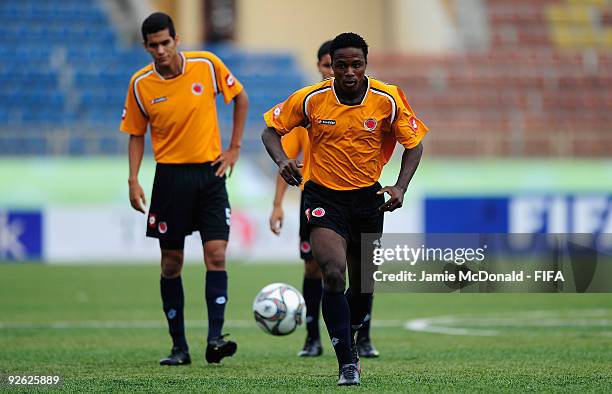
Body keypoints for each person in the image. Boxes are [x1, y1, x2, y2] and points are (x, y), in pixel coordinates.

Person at [262, 32, 427, 385]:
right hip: (323, 198)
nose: (349, 71)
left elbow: (414, 145)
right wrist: (282, 160)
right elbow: (270, 131)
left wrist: (400, 186)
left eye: (356, 64)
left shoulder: (388, 98)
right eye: (341, 65)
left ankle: (352, 335)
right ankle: (347, 363)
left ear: (366, 64)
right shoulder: (311, 99)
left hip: (368, 199)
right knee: (333, 273)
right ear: (330, 67)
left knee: (364, 283)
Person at [120, 12, 249, 366]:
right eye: (153, 45)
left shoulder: (206, 65)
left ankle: (215, 339)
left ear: (177, 40)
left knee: (217, 255)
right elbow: (136, 134)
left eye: (166, 42)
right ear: (146, 47)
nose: (160, 50)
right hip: (170, 179)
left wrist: (235, 146)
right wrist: (133, 179)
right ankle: (179, 346)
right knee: (171, 263)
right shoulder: (140, 84)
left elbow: (240, 97)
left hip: (210, 175)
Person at [268, 40, 379, 358]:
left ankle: (363, 335)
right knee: (319, 269)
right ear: (320, 66)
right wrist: (277, 204)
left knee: (361, 272)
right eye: (329, 65)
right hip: (318, 199)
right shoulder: (308, 106)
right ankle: (313, 337)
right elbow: (287, 160)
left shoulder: (372, 101)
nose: (336, 72)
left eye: (345, 65)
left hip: (360, 198)